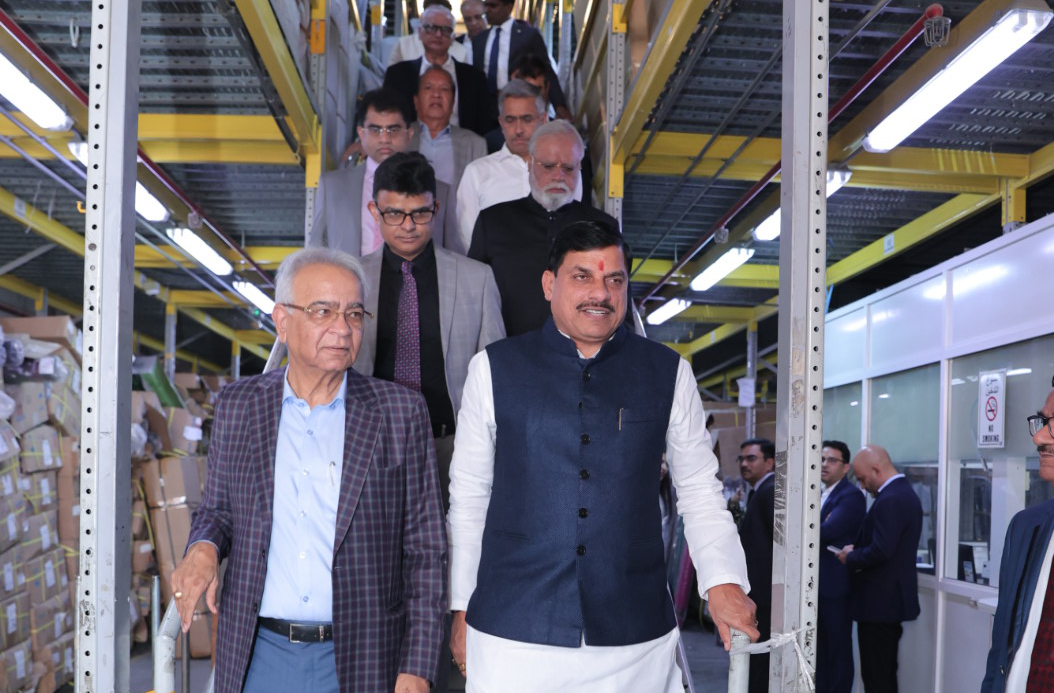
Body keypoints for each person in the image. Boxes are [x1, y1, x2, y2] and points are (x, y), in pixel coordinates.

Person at [447, 221, 758, 692]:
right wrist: (461, 607)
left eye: (615, 280)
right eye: (582, 277)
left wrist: (724, 581)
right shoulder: (493, 368)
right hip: (513, 631)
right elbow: (469, 499)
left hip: (633, 639)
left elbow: (699, 491)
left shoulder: (667, 373)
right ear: (549, 284)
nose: (601, 293)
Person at [169, 247, 447, 693]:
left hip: (364, 656)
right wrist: (203, 547)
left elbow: (425, 549)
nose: (342, 329)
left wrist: (417, 665)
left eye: (354, 314)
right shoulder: (240, 405)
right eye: (323, 311)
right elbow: (218, 509)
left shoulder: (400, 412)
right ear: (282, 321)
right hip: (260, 655)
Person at [354, 151, 504, 512]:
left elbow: (495, 374)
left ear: (435, 209)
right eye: (394, 214)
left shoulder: (477, 279)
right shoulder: (351, 280)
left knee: (451, 541)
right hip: (369, 442)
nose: (408, 225)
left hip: (451, 446)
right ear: (374, 211)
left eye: (419, 213)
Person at [467, 120, 612, 336]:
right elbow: (471, 300)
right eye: (549, 166)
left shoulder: (604, 227)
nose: (558, 176)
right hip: (508, 350)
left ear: (580, 168)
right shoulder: (493, 222)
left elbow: (617, 305)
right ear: (530, 164)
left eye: (568, 168)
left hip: (583, 353)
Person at [309, 88, 455, 256]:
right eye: (375, 129)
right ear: (361, 133)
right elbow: (315, 251)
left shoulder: (440, 192)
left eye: (393, 130)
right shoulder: (333, 186)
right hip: (350, 272)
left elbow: (453, 257)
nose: (384, 139)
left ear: (409, 134)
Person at [982, 377, 1054, 692]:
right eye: (1042, 421)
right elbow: (1000, 650)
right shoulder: (1025, 528)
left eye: (1053, 424)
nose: (1039, 436)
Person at [836, 444, 923, 693]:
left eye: (863, 479)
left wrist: (851, 556)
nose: (862, 487)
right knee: (880, 673)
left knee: (877, 677)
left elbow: (882, 550)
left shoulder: (892, 498)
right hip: (885, 603)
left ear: (876, 470)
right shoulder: (900, 494)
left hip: (880, 604)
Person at [383, 6, 497, 137]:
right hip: (410, 145)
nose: (438, 35)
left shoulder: (475, 78)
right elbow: (386, 118)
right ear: (420, 32)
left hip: (461, 146)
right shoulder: (397, 75)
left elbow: (483, 127)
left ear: (453, 37)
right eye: (431, 28)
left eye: (445, 30)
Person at [407, 66, 488, 244]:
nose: (436, 94)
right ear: (416, 101)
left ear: (453, 102)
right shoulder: (401, 138)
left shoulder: (475, 144)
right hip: (409, 229)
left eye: (444, 89)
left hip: (459, 235)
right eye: (428, 88)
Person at [817, 440, 866, 693]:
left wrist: (819, 525)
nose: (824, 464)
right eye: (822, 459)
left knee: (837, 650)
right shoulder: (820, 493)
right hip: (817, 587)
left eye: (832, 460)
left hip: (836, 587)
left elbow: (825, 532)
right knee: (820, 651)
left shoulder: (850, 496)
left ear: (846, 467)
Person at [470, 0, 568, 114]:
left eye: (493, 6)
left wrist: (559, 106)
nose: (487, 10)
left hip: (519, 104)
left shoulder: (528, 36)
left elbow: (546, 70)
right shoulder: (479, 39)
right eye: (485, 5)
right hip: (485, 108)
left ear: (509, 7)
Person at [736, 437, 776, 693]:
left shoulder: (770, 491)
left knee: (760, 660)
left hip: (765, 595)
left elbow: (779, 544)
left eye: (751, 458)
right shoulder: (759, 491)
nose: (744, 464)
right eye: (741, 459)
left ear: (770, 462)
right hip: (758, 594)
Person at [388, 0, 469, 65]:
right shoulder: (403, 45)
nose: (438, 34)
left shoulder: (461, 52)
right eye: (432, 27)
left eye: (444, 28)